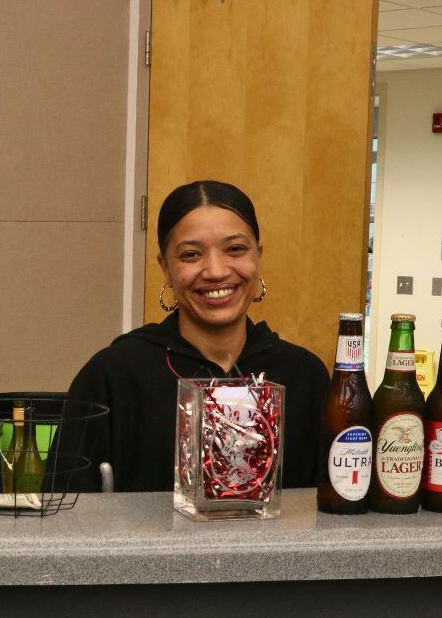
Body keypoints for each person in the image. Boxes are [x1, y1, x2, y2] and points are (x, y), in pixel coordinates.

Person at [65, 180, 329, 491]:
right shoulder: (114, 375)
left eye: (235, 249)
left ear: (257, 256)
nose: (216, 271)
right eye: (191, 255)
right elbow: (67, 514)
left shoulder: (303, 375)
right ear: (165, 267)